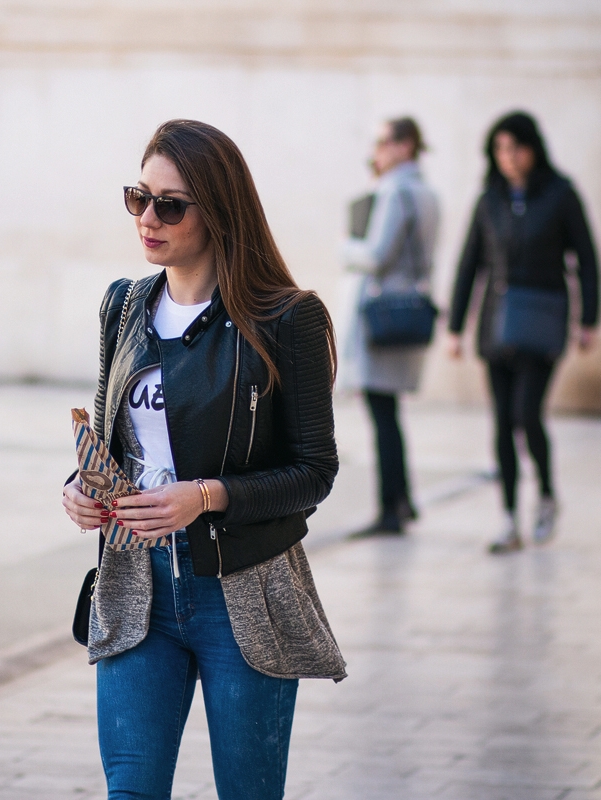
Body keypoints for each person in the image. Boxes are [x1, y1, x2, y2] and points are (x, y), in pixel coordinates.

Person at [61, 119, 346, 799]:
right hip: (136, 583)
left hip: (242, 591)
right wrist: (82, 485)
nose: (147, 219)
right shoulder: (124, 306)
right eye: (138, 198)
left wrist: (206, 496)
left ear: (218, 210)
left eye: (170, 205)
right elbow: (113, 441)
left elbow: (315, 471)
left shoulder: (286, 319)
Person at [447, 111, 600, 554]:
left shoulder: (561, 194)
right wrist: (455, 326)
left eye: (515, 147)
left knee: (527, 414)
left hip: (542, 320)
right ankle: (509, 517)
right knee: (501, 422)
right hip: (496, 325)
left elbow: (586, 259)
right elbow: (469, 264)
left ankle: (547, 494)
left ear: (533, 149)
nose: (508, 157)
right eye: (500, 149)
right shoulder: (489, 200)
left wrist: (589, 320)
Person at [341, 117, 440, 534]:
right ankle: (403, 500)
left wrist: (347, 248)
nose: (375, 152)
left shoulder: (395, 192)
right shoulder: (427, 192)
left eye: (382, 143)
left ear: (404, 146)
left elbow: (377, 255)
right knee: (389, 412)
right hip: (408, 307)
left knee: (382, 414)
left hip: (383, 313)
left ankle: (390, 510)